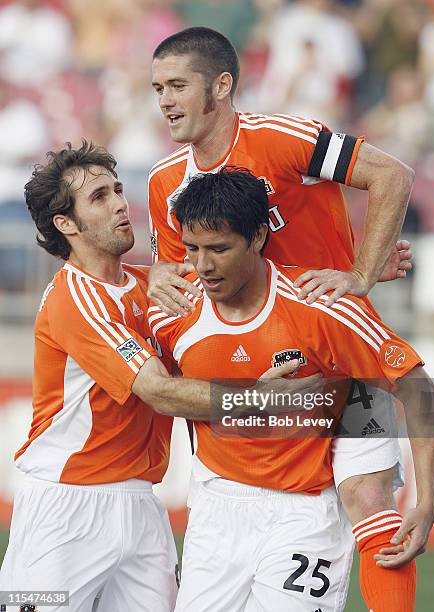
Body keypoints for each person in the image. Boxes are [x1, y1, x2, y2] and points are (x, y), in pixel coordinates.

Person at [147, 26, 420, 609]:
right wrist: (154, 277)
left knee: (368, 498)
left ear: (222, 85)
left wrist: (362, 272)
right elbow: (179, 280)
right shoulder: (164, 183)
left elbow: (392, 174)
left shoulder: (279, 137)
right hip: (257, 370)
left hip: (342, 351)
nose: (165, 100)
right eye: (157, 88)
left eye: (177, 85)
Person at [0, 142, 309, 612]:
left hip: (142, 503)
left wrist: (356, 272)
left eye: (118, 190)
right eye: (99, 197)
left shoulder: (153, 284)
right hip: (65, 508)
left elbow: (246, 269)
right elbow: (158, 390)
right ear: (66, 224)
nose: (121, 203)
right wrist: (257, 398)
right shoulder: (75, 298)